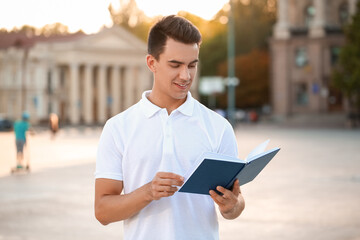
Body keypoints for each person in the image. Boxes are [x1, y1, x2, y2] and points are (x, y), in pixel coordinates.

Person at [95, 15, 245, 240]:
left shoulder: (218, 127)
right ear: (151, 63)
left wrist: (230, 206)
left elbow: (237, 204)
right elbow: (102, 211)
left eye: (192, 65)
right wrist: (148, 192)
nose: (185, 76)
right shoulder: (118, 128)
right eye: (175, 65)